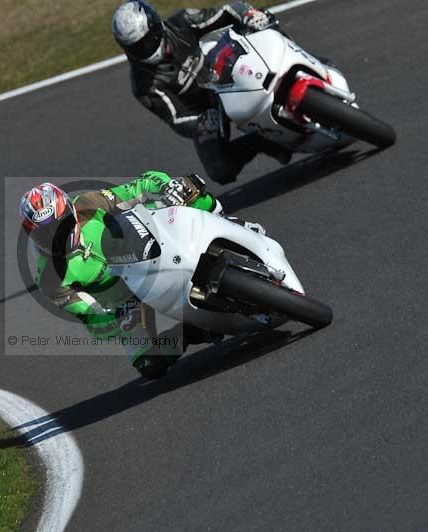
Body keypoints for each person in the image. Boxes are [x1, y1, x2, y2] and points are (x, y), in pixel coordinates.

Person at [19, 172, 265, 379]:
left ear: (70, 212)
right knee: (149, 363)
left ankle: (229, 224)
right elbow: (87, 314)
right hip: (121, 297)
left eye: (58, 226)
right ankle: (195, 330)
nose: (55, 237)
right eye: (45, 233)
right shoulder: (49, 279)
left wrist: (166, 187)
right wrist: (108, 320)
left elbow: (140, 187)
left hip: (141, 245)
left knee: (188, 189)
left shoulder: (89, 204)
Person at [111, 1, 293, 183]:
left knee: (269, 31)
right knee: (220, 170)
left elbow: (227, 11)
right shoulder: (144, 86)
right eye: (136, 47)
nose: (145, 49)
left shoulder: (183, 21)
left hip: (233, 68)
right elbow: (176, 118)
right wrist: (201, 123)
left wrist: (249, 15)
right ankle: (263, 142)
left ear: (156, 28)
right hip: (209, 110)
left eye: (147, 42)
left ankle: (312, 66)